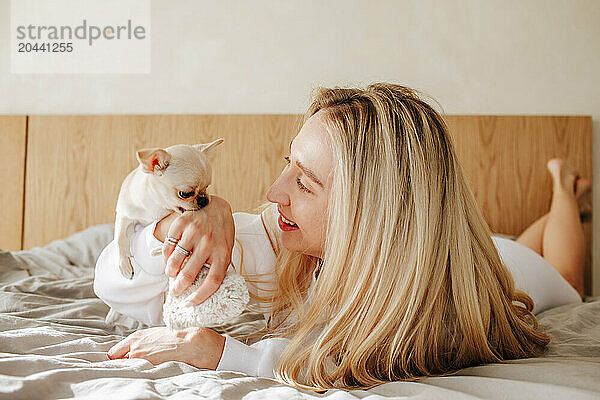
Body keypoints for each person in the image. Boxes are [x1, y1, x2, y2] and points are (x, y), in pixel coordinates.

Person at [94, 83, 586, 391]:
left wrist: (218, 349)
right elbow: (111, 283)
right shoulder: (277, 235)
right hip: (466, 244)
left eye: (304, 182)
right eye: (288, 164)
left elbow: (355, 360)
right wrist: (180, 225)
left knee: (567, 278)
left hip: (516, 268)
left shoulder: (435, 303)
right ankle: (550, 211)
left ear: (369, 214)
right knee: (520, 239)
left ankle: (563, 190)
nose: (272, 192)